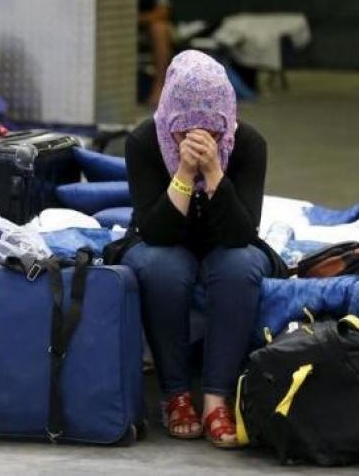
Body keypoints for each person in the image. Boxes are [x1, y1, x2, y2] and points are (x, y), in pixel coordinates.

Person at [116, 50, 271, 448]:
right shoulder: (144, 142)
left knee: (240, 266)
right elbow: (157, 232)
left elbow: (242, 233)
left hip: (225, 240)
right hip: (163, 238)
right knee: (162, 266)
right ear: (170, 121)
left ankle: (217, 397)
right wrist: (185, 172)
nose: (200, 141)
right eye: (185, 133)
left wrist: (215, 172)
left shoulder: (248, 145)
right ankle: (176, 393)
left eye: (212, 133)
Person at [139, 0, 174, 106]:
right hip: (120, 26)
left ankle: (159, 88)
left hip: (148, 24)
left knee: (159, 29)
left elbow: (163, 12)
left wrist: (139, 19)